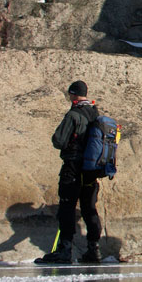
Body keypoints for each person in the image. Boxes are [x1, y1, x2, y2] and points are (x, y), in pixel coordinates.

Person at [36, 80, 103, 263]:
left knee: (67, 207)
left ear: (73, 94)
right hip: (91, 171)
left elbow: (59, 140)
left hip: (73, 167)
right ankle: (93, 249)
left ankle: (64, 250)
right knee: (89, 209)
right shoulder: (95, 114)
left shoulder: (74, 114)